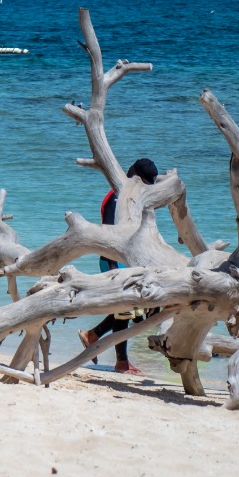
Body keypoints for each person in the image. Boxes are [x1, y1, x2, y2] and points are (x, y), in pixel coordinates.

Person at [79, 158, 159, 373]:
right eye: (144, 182)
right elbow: (108, 232)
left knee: (128, 309)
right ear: (136, 178)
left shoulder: (128, 196)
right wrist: (114, 265)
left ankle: (93, 335)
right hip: (112, 260)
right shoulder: (116, 197)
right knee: (124, 309)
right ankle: (121, 361)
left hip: (125, 260)